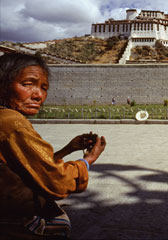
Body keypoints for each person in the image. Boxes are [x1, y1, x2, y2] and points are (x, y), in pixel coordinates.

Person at [0, 53, 106, 239]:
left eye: (43, 87)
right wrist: (87, 161)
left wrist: (68, 148)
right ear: (3, 86)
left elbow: (29, 165)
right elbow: (55, 180)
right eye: (27, 84)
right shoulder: (12, 122)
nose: (38, 95)